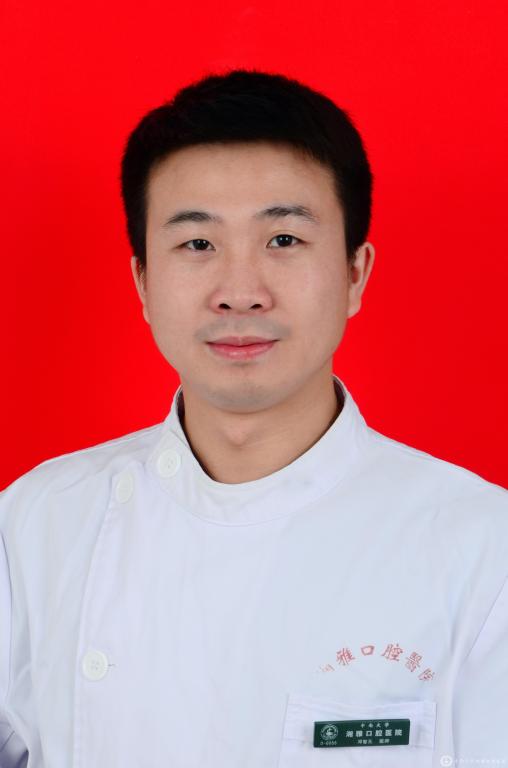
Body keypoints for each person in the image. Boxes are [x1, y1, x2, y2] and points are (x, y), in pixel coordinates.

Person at [0, 68, 506, 768]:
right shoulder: (33, 527)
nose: (240, 293)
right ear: (143, 282)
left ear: (355, 273)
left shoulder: (484, 551)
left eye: (284, 240)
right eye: (198, 245)